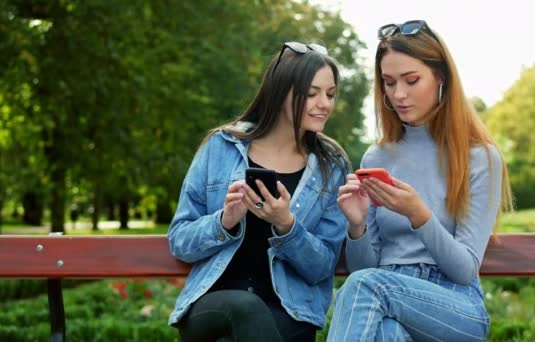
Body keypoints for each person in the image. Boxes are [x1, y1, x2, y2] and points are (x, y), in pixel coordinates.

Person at [327, 20, 513, 342]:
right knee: (386, 333)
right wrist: (357, 227)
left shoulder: (480, 158)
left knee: (367, 287)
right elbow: (363, 268)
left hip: (454, 305)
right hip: (385, 293)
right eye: (389, 83)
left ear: (440, 77)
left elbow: (464, 269)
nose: (398, 94)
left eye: (411, 80)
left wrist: (418, 214)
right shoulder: (376, 158)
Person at [167, 41, 350, 342]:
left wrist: (287, 226)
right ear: (281, 92)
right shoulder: (222, 147)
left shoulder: (332, 166)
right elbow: (180, 240)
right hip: (215, 305)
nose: (325, 104)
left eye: (330, 94)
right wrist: (224, 221)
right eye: (312, 93)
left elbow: (322, 267)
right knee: (247, 309)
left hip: (289, 313)